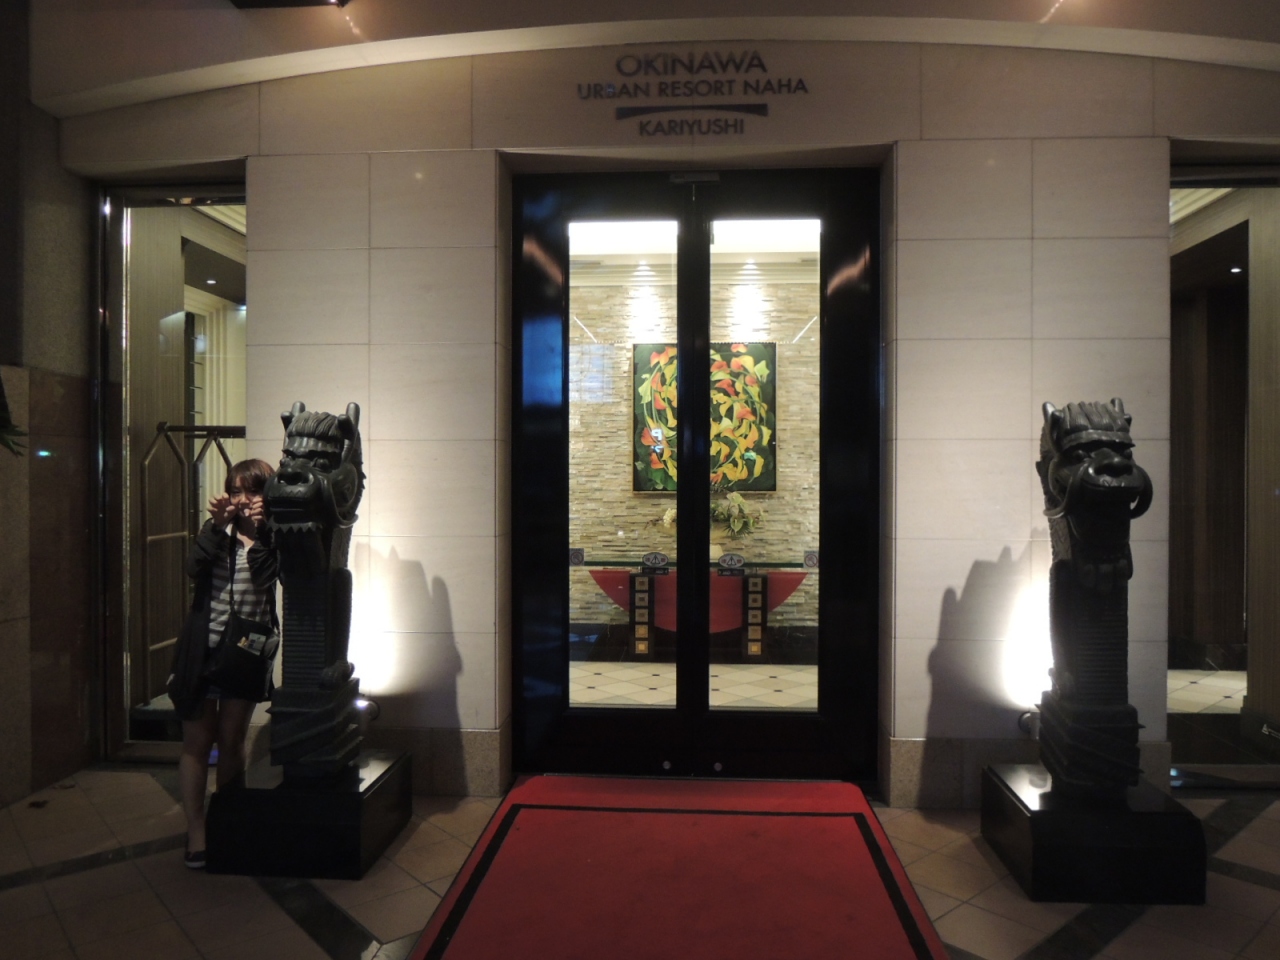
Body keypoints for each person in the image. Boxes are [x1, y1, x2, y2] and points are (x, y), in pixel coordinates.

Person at [167, 459, 279, 868]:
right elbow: (192, 568)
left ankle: (227, 820)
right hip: (203, 652)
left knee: (231, 741)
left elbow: (266, 577)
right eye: (235, 491)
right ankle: (196, 830)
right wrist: (216, 527)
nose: (243, 499)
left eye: (253, 491)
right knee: (197, 743)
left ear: (268, 494)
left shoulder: (275, 537)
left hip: (245, 654)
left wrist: (263, 530)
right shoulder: (217, 533)